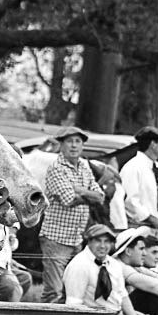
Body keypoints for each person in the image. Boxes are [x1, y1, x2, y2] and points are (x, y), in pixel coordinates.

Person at [38, 126, 104, 303]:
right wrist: (88, 194)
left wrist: (80, 189)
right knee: (54, 291)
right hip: (55, 238)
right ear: (61, 144)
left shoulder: (84, 166)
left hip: (76, 238)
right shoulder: (56, 168)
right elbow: (69, 200)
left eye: (78, 141)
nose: (74, 146)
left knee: (73, 290)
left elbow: (100, 196)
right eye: (69, 141)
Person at [63, 223, 153, 315]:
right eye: (98, 241)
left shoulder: (113, 264)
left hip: (118, 313)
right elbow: (73, 305)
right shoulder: (79, 265)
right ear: (89, 242)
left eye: (106, 242)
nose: (102, 246)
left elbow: (122, 295)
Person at [120, 125, 158, 235]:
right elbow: (130, 202)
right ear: (153, 145)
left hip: (153, 230)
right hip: (138, 230)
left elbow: (153, 200)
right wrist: (154, 220)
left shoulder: (152, 167)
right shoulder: (133, 168)